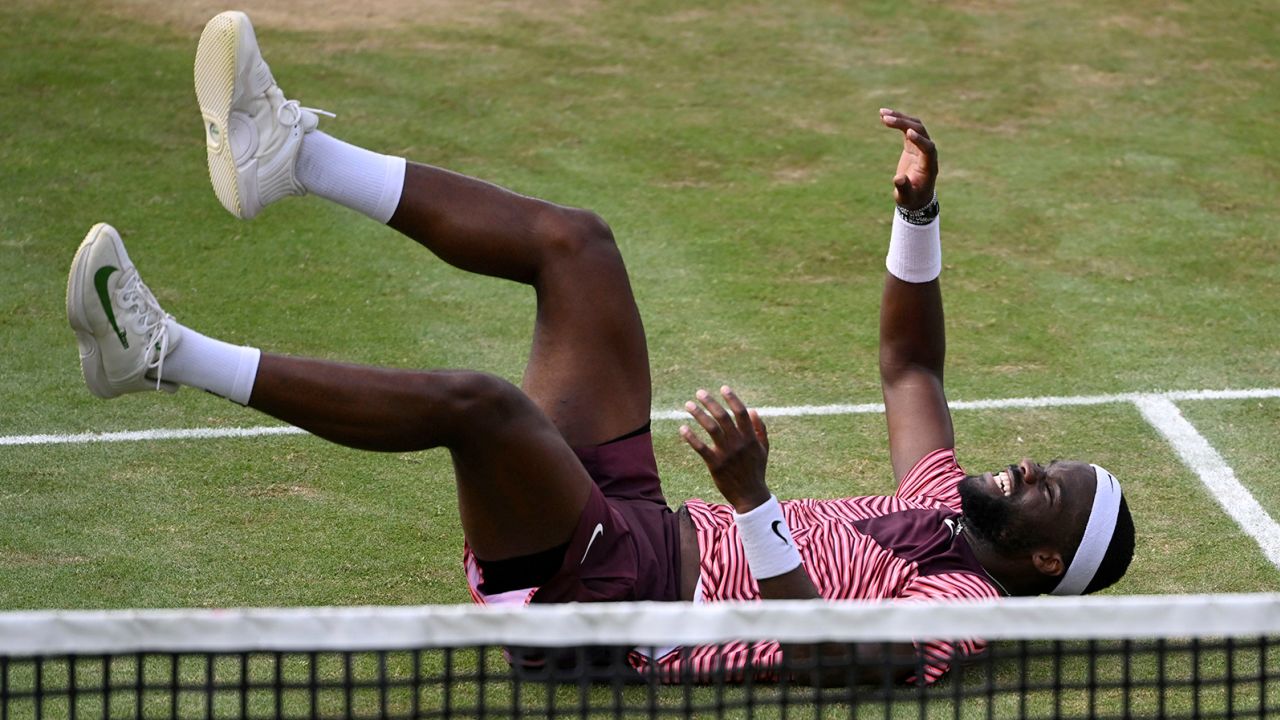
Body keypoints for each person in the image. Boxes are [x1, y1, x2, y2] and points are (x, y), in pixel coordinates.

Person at [67, 11, 1134, 685]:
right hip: (633, 522)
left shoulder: (967, 605)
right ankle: (291, 156)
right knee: (576, 247)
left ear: (1047, 560)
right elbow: (911, 369)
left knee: (480, 406)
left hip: (607, 608)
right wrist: (918, 212)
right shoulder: (943, 504)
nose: (1029, 466)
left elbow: (831, 654)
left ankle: (159, 353)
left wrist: (754, 499)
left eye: (1054, 489)